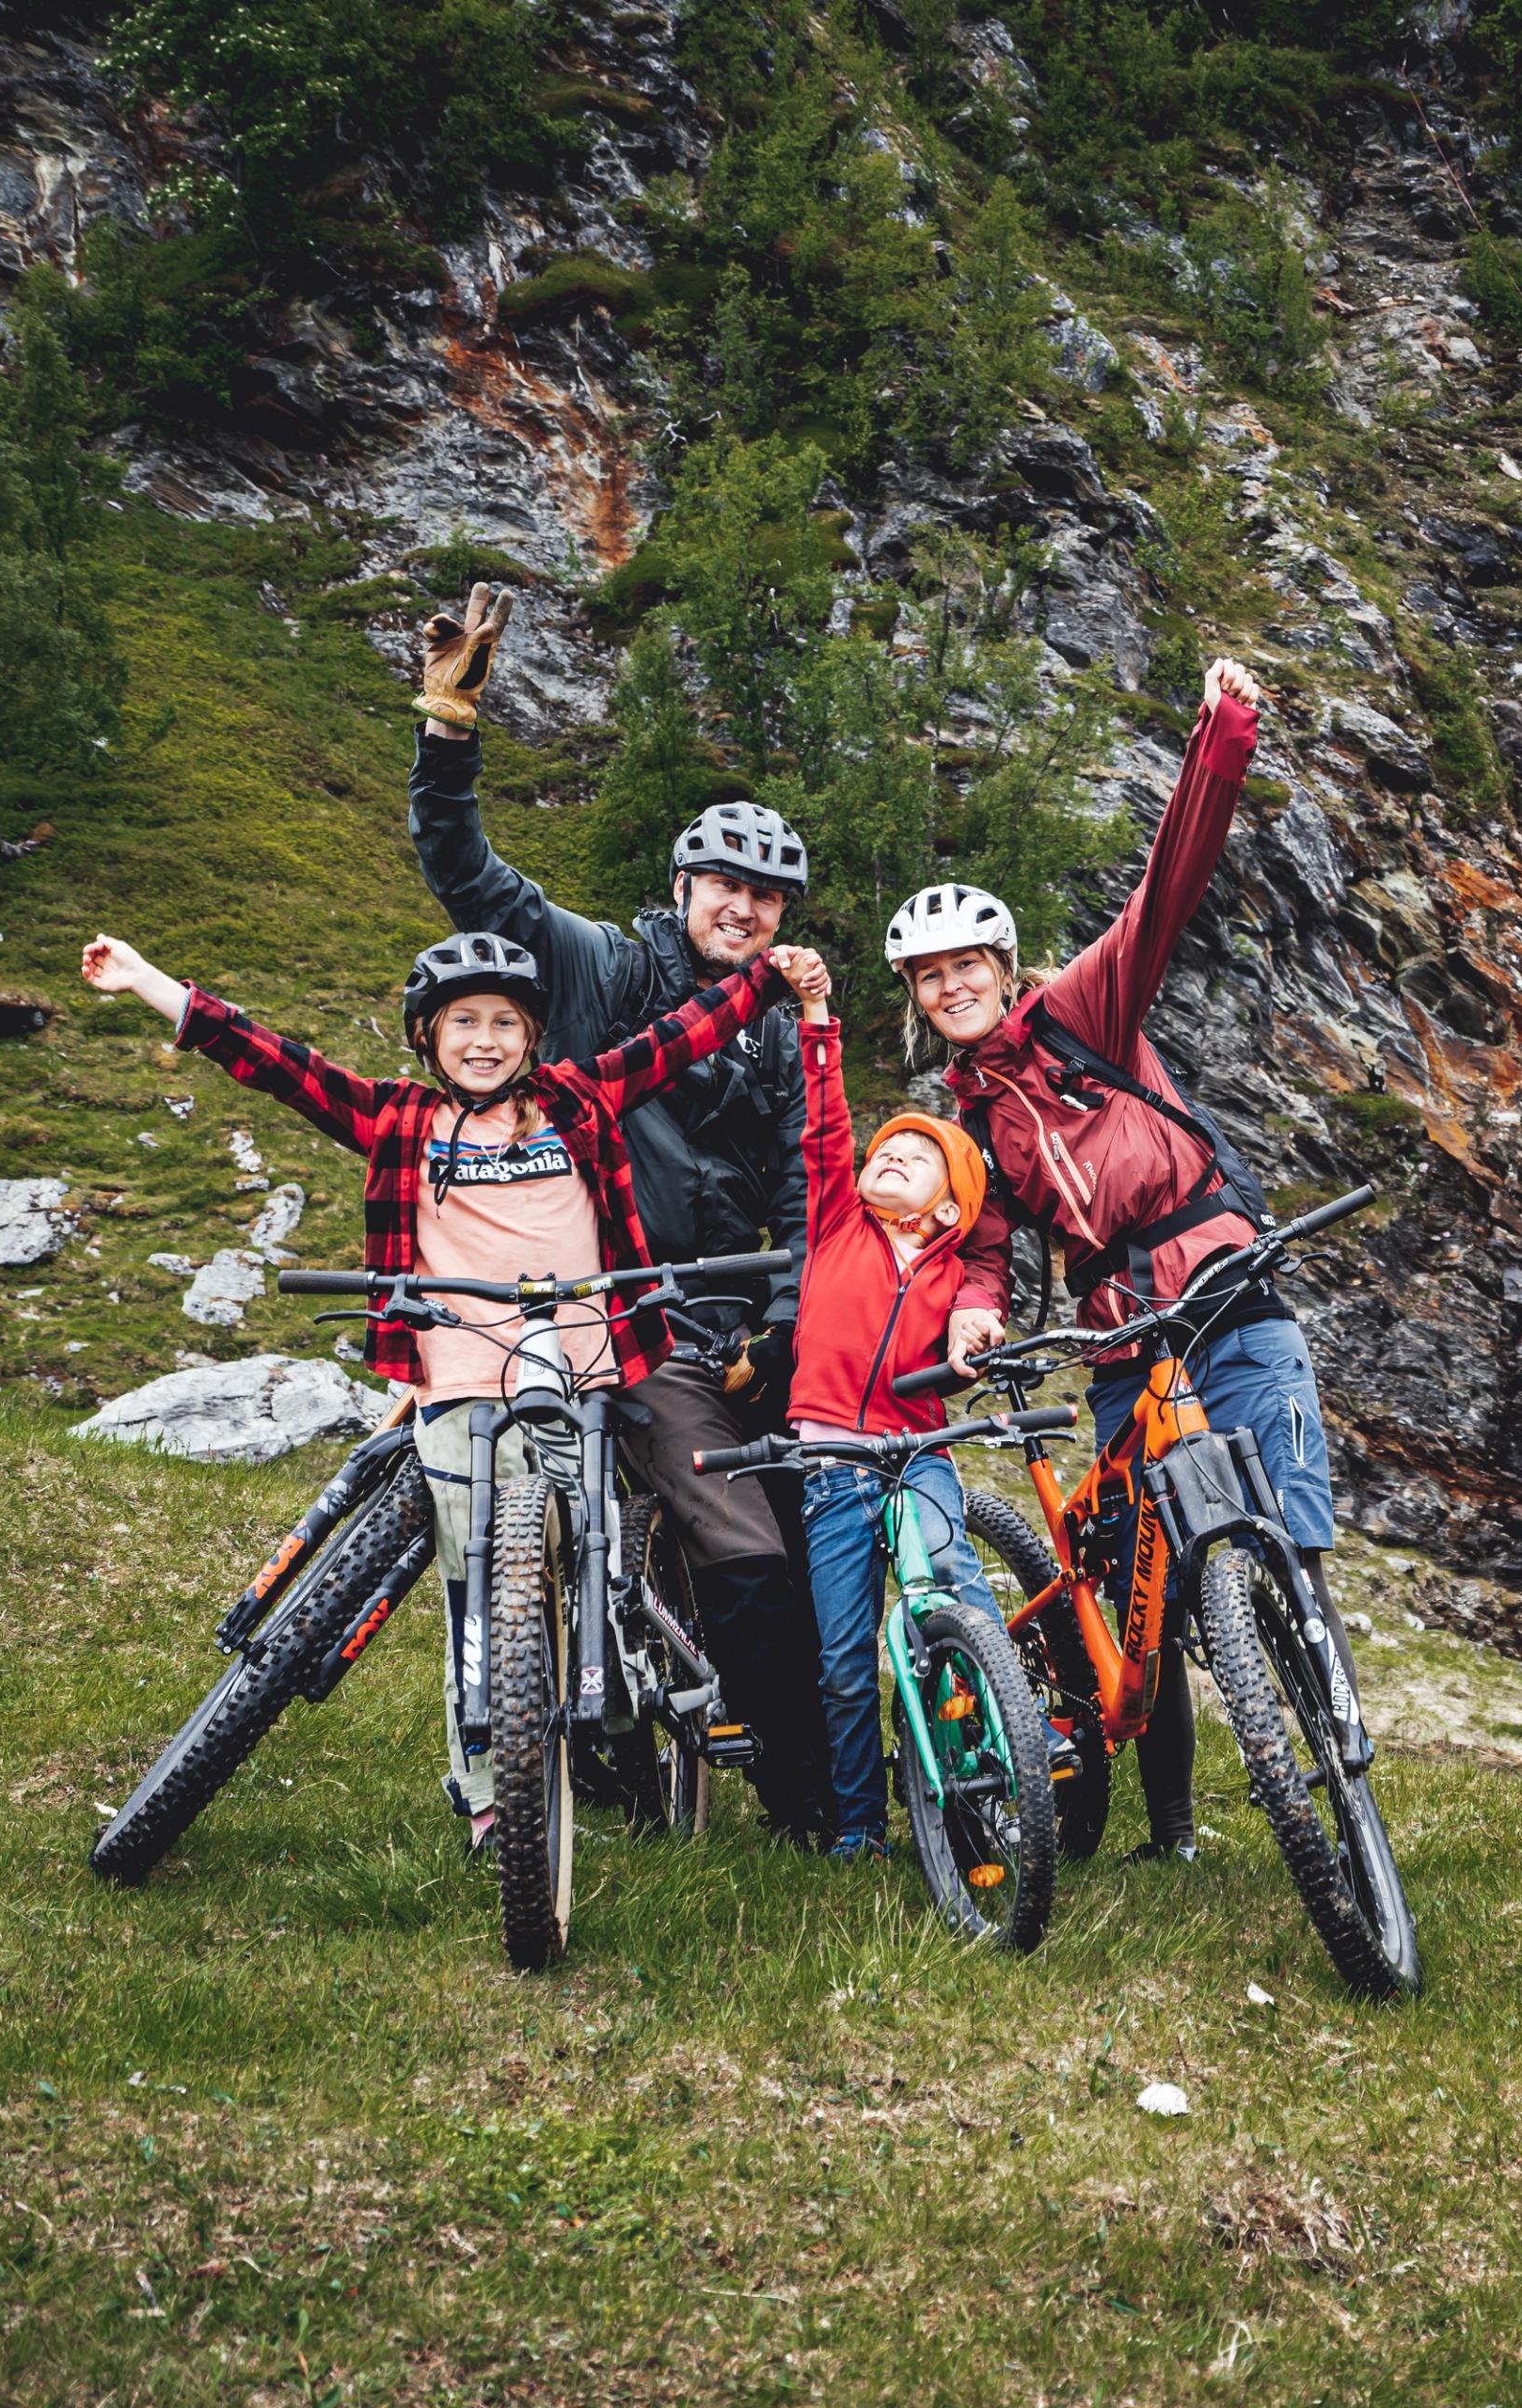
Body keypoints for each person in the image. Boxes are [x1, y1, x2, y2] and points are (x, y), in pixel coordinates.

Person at [74, 922, 814, 1844]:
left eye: (505, 1022)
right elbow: (276, 1062)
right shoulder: (399, 1121)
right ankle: (489, 1784)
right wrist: (146, 978)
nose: (485, 1040)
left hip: (587, 1363)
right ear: (427, 1037)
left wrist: (766, 981)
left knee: (600, 1550)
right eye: (463, 1021)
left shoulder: (577, 1101)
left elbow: (681, 1037)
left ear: (533, 1035)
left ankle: (620, 1714)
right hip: (462, 1373)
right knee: (476, 1564)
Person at [403, 585, 836, 1842]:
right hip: (622, 1322)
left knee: (831, 1525)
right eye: (723, 883)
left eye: (765, 896)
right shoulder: (603, 970)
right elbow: (465, 875)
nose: (742, 908)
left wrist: (784, 1318)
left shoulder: (777, 1024)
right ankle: (810, 1803)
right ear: (685, 882)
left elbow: (806, 1183)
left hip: (742, 1322)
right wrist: (449, 725)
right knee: (739, 1533)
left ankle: (849, 1747)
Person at [892, 656, 1329, 1862]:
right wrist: (973, 1319)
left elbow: (1167, 884)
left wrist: (1220, 732)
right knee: (1151, 1582)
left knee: (1282, 1529)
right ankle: (1175, 1829)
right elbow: (978, 1251)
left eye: (968, 964)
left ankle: (1329, 1729)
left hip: (1228, 1290)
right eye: (931, 979)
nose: (953, 986)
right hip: (1120, 1332)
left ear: (1003, 962)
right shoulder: (968, 1124)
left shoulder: (1087, 1011)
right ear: (919, 999)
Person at [767, 947, 1009, 1861]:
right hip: (833, 1466)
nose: (892, 1157)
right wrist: (818, 1019)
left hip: (921, 1456)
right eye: (889, 1150)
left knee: (955, 1604)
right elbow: (827, 1127)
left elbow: (985, 1301)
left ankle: (991, 1770)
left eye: (919, 1156)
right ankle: (861, 1823)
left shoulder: (954, 1270)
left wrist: (977, 1335)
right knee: (841, 1662)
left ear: (950, 1210)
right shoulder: (838, 1221)